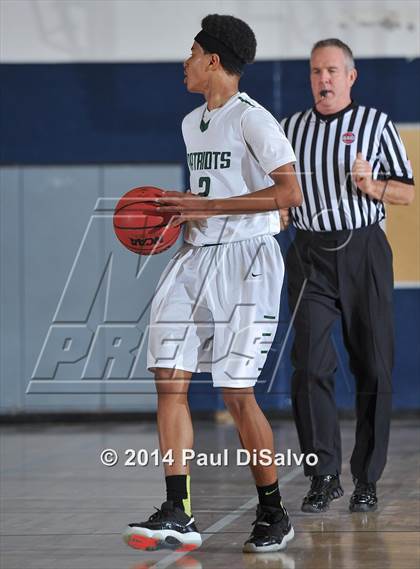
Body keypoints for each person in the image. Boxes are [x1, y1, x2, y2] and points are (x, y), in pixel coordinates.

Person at [123, 14, 302, 553]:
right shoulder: (190, 123)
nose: (185, 61)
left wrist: (211, 206)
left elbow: (289, 193)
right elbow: (209, 192)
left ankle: (273, 511)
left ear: (213, 60)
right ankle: (178, 510)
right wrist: (185, 215)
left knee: (235, 391)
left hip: (247, 262)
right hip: (195, 255)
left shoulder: (255, 121)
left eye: (191, 52)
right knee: (168, 377)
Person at [280, 38, 415, 514]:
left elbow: (406, 194)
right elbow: (279, 194)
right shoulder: (290, 128)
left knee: (374, 366)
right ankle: (323, 476)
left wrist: (371, 185)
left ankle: (366, 480)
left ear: (350, 77)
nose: (324, 80)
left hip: (363, 250)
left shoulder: (376, 125)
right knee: (310, 365)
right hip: (309, 252)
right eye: (317, 71)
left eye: (333, 71)